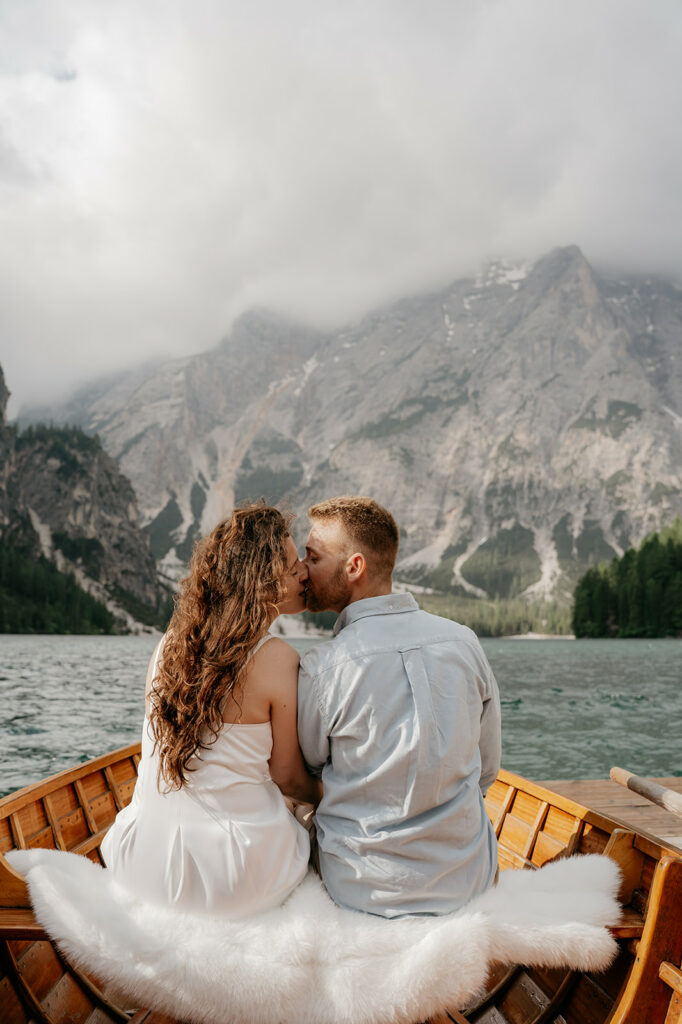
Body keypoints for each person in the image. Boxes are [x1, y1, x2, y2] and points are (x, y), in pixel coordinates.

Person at [102, 504, 321, 916]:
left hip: (140, 861)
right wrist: (337, 793)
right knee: (303, 814)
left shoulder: (169, 644)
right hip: (231, 877)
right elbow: (289, 778)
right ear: (261, 584)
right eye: (293, 569)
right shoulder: (278, 658)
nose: (304, 574)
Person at [297, 496, 501, 919]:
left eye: (313, 557)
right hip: (467, 882)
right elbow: (486, 771)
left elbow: (309, 773)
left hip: (360, 889)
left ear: (354, 568)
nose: (302, 569)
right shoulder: (464, 641)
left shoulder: (323, 667)